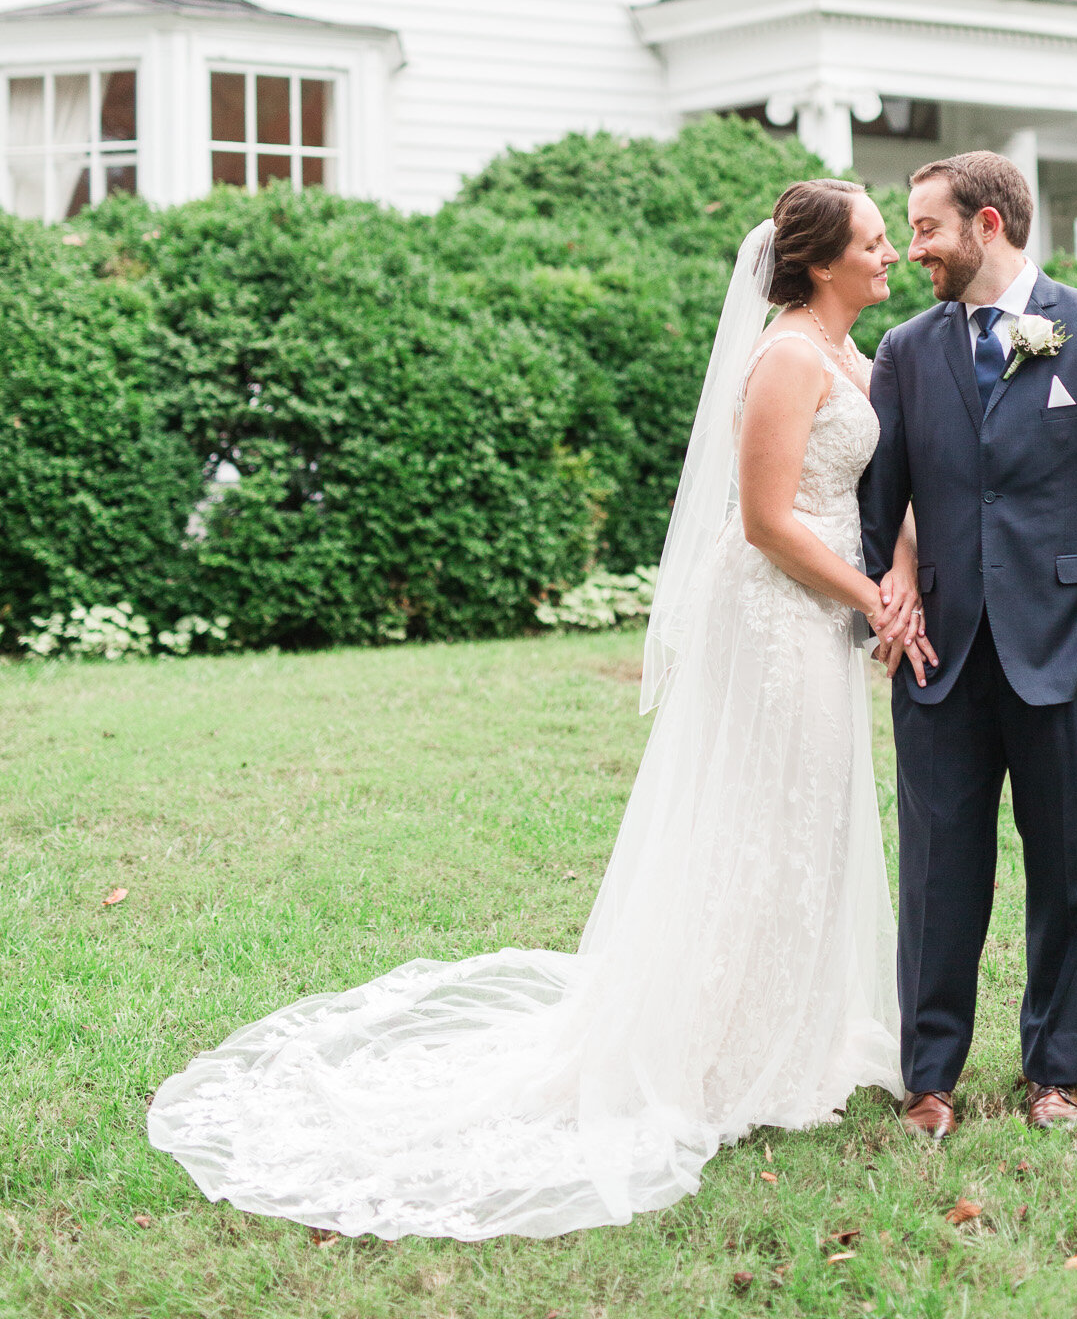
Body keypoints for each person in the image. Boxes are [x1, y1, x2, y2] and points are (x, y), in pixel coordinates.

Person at [148, 179, 918, 1241]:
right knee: (761, 815)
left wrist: (902, 573)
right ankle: (714, 1052)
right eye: (875, 242)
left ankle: (785, 1034)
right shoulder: (786, 356)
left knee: (813, 815)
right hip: (781, 618)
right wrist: (871, 594)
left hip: (825, 618)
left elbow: (887, 489)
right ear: (821, 262)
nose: (890, 256)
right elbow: (764, 520)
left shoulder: (851, 355)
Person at [860, 151, 1077, 1140]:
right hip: (942, 657)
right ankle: (929, 1077)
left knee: (1066, 870)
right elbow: (881, 508)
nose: (914, 249)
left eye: (926, 229)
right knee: (938, 870)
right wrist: (889, 595)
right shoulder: (907, 351)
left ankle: (1055, 1071)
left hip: (1073, 651)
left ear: (987, 225)